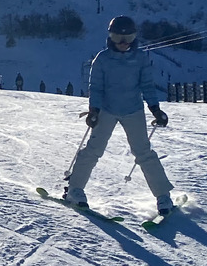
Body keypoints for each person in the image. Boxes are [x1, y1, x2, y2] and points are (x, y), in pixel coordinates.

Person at [64, 16, 174, 215]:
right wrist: (94, 110)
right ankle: (75, 189)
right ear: (110, 37)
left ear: (134, 37)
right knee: (93, 150)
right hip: (106, 109)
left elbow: (147, 85)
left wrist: (155, 109)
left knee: (143, 152)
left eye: (128, 37)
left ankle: (163, 196)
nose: (123, 43)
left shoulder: (140, 58)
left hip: (133, 110)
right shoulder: (103, 59)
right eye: (117, 37)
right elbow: (96, 87)